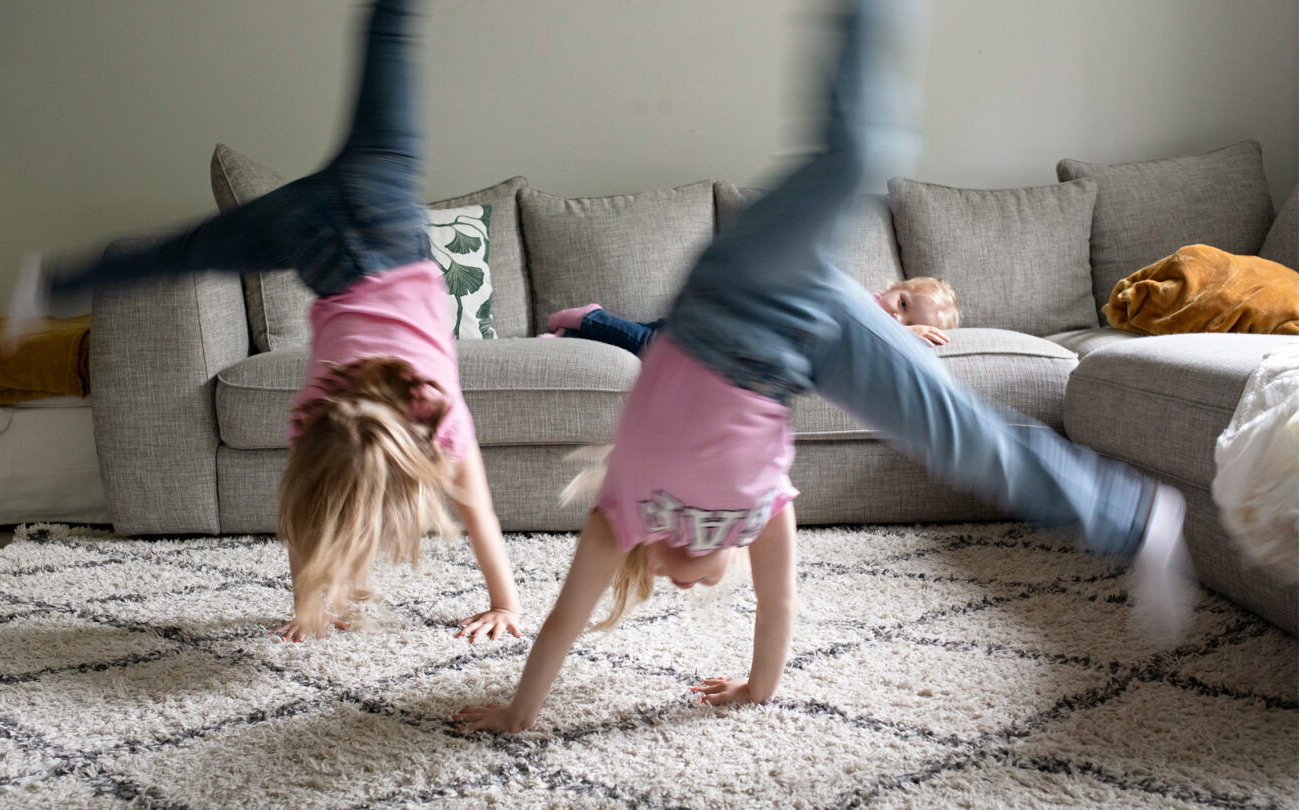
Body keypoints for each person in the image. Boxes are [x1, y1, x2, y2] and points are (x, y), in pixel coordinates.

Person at [456, 0, 1191, 733]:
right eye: (707, 582)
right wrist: (757, 689)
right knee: (953, 434)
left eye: (666, 581)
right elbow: (780, 609)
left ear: (646, 560)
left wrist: (519, 712)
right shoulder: (758, 511)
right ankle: (1133, 516)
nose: (689, 580)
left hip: (737, 292)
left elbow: (561, 620)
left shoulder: (626, 509)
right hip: (804, 341)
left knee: (855, 158)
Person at [2, 0, 521, 644]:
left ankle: (50, 283)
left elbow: (455, 514)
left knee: (389, 44)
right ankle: (51, 284)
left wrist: (501, 602)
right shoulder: (320, 413)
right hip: (320, 240)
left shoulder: (437, 422)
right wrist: (503, 607)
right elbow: (313, 519)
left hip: (384, 206)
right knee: (185, 254)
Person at [545, 275, 960, 354]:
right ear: (889, 288)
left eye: (908, 321)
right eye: (902, 306)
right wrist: (904, 336)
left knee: (651, 333)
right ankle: (592, 318)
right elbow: (859, 334)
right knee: (655, 346)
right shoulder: (859, 303)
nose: (897, 320)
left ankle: (573, 340)